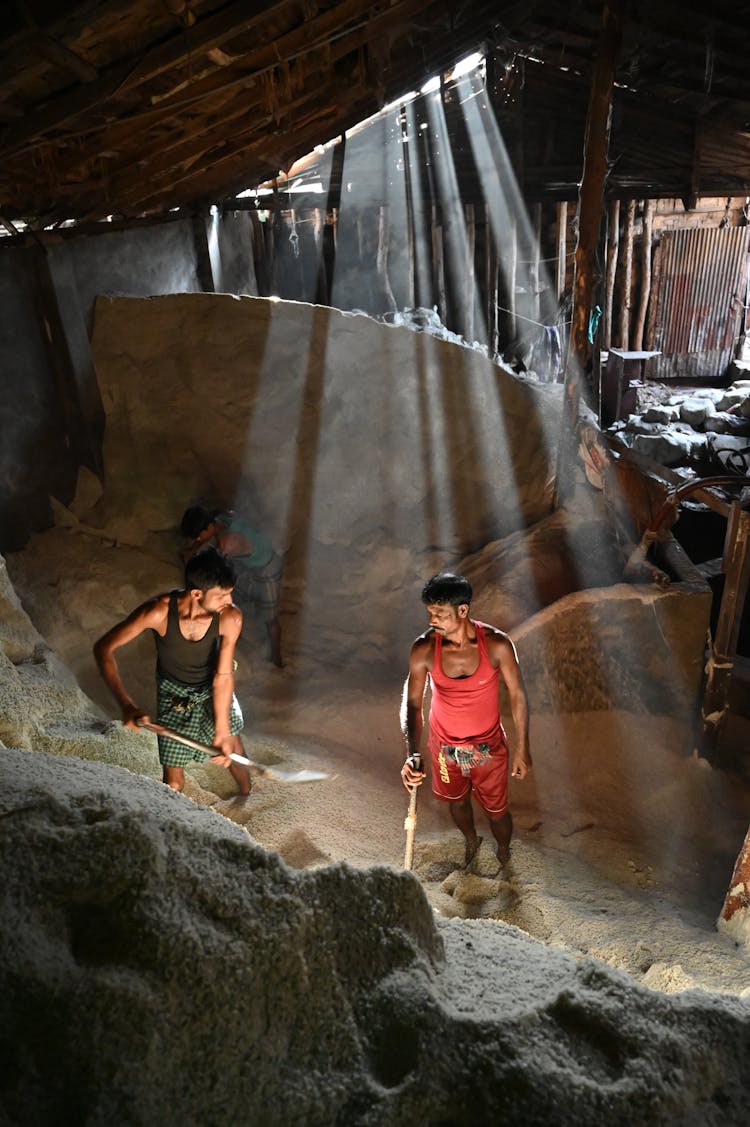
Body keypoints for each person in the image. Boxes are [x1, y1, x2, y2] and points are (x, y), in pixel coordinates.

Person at [93, 546, 251, 796]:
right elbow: (103, 648)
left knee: (235, 750)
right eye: (222, 595)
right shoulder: (158, 612)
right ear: (197, 593)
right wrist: (126, 705)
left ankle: (247, 795)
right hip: (173, 695)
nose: (229, 602)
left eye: (230, 594)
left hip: (211, 686)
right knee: (173, 783)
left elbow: (222, 677)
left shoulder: (230, 617)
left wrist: (222, 730)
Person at [400, 571, 532, 870]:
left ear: (463, 610)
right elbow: (412, 703)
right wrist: (412, 753)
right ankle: (471, 842)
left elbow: (518, 695)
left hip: (489, 747)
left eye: (440, 614)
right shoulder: (423, 649)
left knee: (497, 811)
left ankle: (503, 852)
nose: (433, 621)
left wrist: (523, 747)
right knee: (457, 802)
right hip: (445, 748)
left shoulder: (497, 645)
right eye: (430, 613)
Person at [180, 504, 284, 668]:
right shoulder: (221, 518)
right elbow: (206, 543)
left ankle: (277, 659)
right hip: (250, 564)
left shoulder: (228, 543)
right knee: (230, 599)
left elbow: (213, 567)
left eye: (198, 536)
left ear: (208, 526)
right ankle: (236, 635)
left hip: (268, 567)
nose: (197, 540)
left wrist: (191, 561)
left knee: (269, 618)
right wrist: (192, 549)